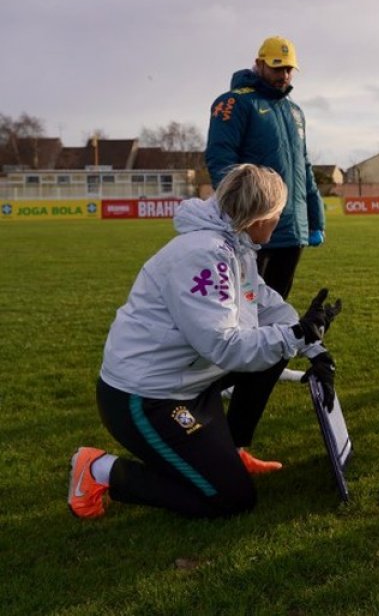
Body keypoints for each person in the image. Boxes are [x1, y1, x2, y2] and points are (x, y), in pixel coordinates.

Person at [68, 164, 342, 519]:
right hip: (145, 396)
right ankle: (97, 468)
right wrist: (296, 336)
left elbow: (266, 306)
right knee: (230, 498)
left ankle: (232, 451)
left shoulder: (234, 244)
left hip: (188, 383)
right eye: (277, 214)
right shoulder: (204, 254)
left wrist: (315, 348)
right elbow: (223, 346)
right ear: (259, 217)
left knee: (272, 350)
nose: (279, 221)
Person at [206, 36, 325, 393]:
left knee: (275, 300)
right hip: (253, 224)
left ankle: (264, 366)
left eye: (289, 68)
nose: (284, 74)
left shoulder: (294, 111)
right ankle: (227, 376)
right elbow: (220, 158)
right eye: (276, 67)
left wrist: (315, 218)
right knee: (240, 303)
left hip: (291, 226)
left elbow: (303, 167)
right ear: (258, 64)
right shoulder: (233, 103)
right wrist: (241, 210)